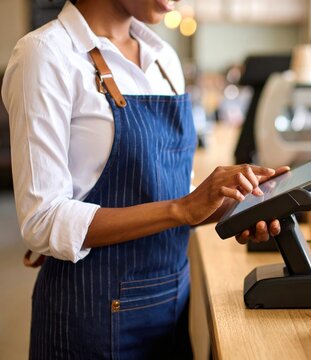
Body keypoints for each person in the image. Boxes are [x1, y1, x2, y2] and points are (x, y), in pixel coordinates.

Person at [1, 0, 288, 358]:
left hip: (169, 307)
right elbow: (41, 221)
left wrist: (236, 205)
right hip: (88, 319)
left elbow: (165, 194)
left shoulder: (164, 59)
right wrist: (183, 208)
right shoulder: (45, 55)